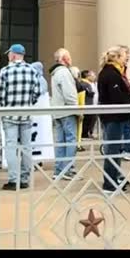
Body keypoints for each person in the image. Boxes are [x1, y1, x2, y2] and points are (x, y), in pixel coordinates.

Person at [0, 44, 42, 191]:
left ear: (14, 55)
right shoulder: (32, 71)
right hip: (26, 114)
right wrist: (29, 103)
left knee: (11, 147)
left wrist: (4, 107)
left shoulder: (5, 71)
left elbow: (1, 96)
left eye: (9, 53)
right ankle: (24, 178)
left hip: (10, 114)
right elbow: (37, 92)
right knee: (26, 147)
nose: (8, 56)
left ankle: (13, 179)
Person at [97, 46, 130, 192]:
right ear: (117, 57)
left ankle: (115, 177)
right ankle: (109, 183)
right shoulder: (110, 74)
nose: (127, 57)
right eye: (125, 55)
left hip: (117, 116)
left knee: (116, 149)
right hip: (113, 117)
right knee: (112, 149)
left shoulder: (117, 72)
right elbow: (116, 97)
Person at [50, 48, 79, 179]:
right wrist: (77, 109)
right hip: (67, 111)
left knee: (60, 141)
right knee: (70, 140)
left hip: (58, 111)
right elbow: (70, 94)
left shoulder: (55, 73)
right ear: (64, 59)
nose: (70, 59)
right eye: (69, 56)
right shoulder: (64, 73)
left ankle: (59, 169)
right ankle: (68, 169)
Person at [80, 70, 97, 139]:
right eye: (92, 75)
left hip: (93, 105)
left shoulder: (93, 84)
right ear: (87, 76)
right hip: (88, 105)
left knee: (92, 120)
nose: (94, 77)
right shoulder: (84, 83)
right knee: (87, 121)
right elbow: (90, 93)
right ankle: (85, 134)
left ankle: (89, 132)